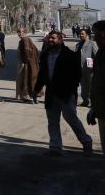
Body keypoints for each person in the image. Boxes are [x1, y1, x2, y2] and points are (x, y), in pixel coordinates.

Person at [35, 30, 93, 156]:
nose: (50, 40)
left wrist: (71, 91)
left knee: (71, 119)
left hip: (66, 94)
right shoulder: (45, 55)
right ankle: (55, 147)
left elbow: (77, 75)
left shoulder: (70, 55)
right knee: (52, 121)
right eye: (49, 38)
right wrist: (36, 89)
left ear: (61, 40)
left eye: (53, 38)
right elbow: (42, 74)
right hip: (51, 93)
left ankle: (86, 142)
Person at [86, 20, 105, 153]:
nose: (94, 37)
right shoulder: (100, 53)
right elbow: (97, 84)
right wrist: (94, 108)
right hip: (102, 109)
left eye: (95, 34)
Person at [16, 27, 41, 104]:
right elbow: (36, 51)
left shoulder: (24, 40)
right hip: (32, 64)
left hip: (27, 64)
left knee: (26, 80)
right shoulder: (28, 39)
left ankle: (30, 98)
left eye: (21, 32)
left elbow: (27, 51)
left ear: (25, 32)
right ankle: (34, 98)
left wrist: (25, 62)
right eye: (18, 32)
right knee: (32, 80)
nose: (20, 34)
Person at [76, 28, 98, 108]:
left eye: (82, 34)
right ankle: (85, 101)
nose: (80, 35)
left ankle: (92, 102)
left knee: (90, 86)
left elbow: (97, 55)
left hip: (90, 69)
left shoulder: (92, 43)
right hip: (80, 69)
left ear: (87, 35)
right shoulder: (78, 44)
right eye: (80, 34)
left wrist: (93, 63)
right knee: (83, 85)